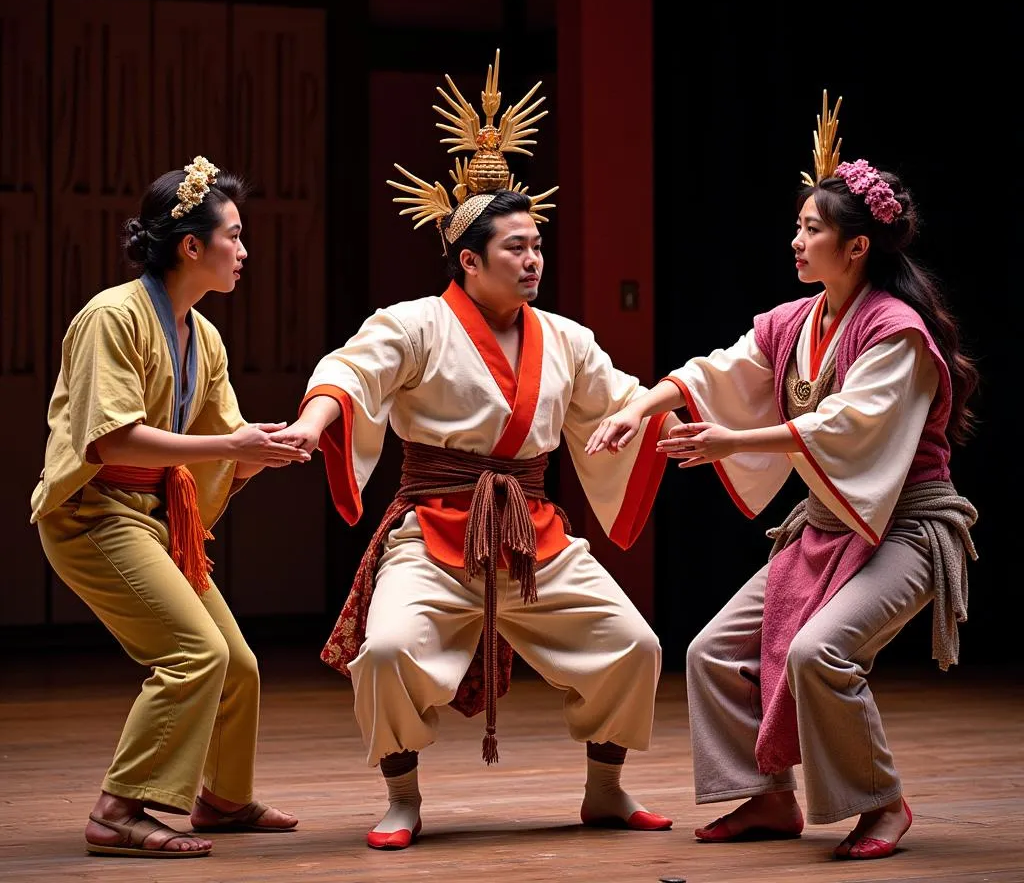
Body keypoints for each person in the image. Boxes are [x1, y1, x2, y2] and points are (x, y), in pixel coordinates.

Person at [274, 53, 676, 849]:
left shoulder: (563, 338)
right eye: (515, 249)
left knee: (635, 646)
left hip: (533, 531)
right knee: (385, 651)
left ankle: (606, 789)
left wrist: (662, 416)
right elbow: (351, 373)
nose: (532, 261)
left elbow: (622, 394)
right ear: (468, 259)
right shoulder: (415, 322)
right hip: (434, 529)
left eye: (537, 247)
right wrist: (315, 423)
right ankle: (402, 798)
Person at [586, 94, 978, 860]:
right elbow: (720, 367)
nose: (795, 241)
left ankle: (883, 803)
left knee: (818, 654)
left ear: (857, 247)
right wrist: (644, 408)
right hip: (831, 525)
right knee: (710, 651)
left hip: (905, 529)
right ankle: (768, 801)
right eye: (798, 226)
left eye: (811, 229)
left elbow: (846, 428)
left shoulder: (896, 334)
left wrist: (732, 439)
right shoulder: (797, 323)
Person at [31, 157, 307, 858]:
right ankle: (118, 808)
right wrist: (230, 445)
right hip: (93, 514)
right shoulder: (111, 316)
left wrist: (273, 447)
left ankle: (222, 798)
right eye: (234, 237)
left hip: (154, 518)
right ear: (192, 246)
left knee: (236, 665)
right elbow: (114, 437)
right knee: (194, 653)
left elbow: (221, 442)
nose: (244, 252)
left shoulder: (202, 335)